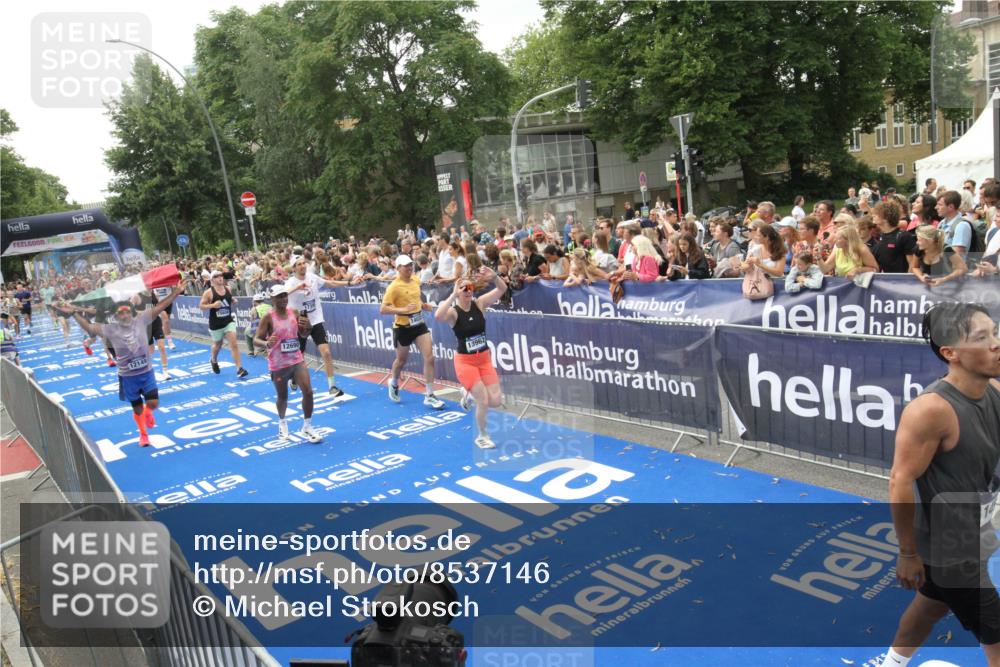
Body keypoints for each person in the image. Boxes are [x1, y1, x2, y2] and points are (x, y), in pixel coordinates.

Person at [880, 302, 1000, 667]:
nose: (996, 343)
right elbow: (900, 480)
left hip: (975, 531)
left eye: (995, 332)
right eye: (981, 337)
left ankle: (892, 664)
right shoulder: (931, 410)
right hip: (950, 549)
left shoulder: (993, 389)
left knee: (930, 607)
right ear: (950, 353)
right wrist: (908, 553)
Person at [57, 282, 187, 447]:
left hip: (146, 373)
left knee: (153, 403)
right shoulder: (110, 329)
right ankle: (143, 434)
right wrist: (74, 313)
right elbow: (89, 327)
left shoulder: (141, 320)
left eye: (126, 311)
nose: (124, 315)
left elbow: (160, 306)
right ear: (116, 316)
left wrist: (176, 292)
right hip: (128, 377)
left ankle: (148, 413)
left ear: (131, 312)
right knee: (137, 408)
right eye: (120, 313)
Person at [434, 267, 508, 449]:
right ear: (458, 292)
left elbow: (502, 289)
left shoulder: (480, 304)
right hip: (465, 362)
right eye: (464, 289)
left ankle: (467, 394)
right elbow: (438, 316)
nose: (468, 292)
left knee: (496, 401)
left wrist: (495, 276)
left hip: (484, 359)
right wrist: (452, 294)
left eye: (470, 288)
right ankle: (482, 436)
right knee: (483, 400)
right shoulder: (454, 312)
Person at [253, 285, 322, 443]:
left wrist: (308, 327)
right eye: (280, 296)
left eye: (285, 295)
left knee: (308, 392)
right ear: (272, 299)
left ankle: (307, 426)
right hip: (278, 364)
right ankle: (282, 422)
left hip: (296, 360)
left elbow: (303, 334)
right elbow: (256, 339)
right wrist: (266, 343)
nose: (284, 299)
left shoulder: (294, 313)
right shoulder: (268, 317)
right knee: (283, 397)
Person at [379, 255, 446, 409]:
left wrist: (423, 305)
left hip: (419, 324)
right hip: (402, 327)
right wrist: (402, 310)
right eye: (406, 266)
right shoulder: (394, 287)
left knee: (429, 357)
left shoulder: (415, 279)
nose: (409, 268)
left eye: (410, 265)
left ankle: (429, 395)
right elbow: (383, 309)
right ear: (398, 268)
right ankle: (394, 382)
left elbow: (415, 298)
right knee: (401, 361)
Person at [285, 256, 349, 396]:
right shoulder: (290, 282)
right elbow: (283, 294)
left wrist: (349, 282)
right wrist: (297, 287)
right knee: (299, 357)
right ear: (294, 268)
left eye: (304, 263)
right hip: (299, 323)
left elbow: (330, 283)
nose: (303, 266)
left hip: (315, 320)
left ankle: (332, 386)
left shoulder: (312, 277)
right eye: (299, 264)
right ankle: (294, 379)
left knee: (326, 352)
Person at [199, 270, 249, 378]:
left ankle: (239, 369)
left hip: (228, 321)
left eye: (221, 275)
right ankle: (213, 360)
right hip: (215, 323)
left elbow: (228, 298)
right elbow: (201, 306)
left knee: (234, 344)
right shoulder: (208, 292)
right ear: (212, 279)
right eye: (216, 276)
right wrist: (212, 305)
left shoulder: (228, 289)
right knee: (218, 344)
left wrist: (233, 300)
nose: (220, 278)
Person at [872, 201, 917, 274]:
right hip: (885, 280)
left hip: (902, 280)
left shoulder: (904, 236)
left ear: (886, 217)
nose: (873, 215)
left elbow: (912, 265)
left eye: (877, 214)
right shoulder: (878, 237)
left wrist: (907, 280)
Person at [150, 284, 176, 349]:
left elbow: (173, 288)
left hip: (168, 302)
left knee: (166, 323)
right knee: (166, 320)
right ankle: (170, 341)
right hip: (159, 303)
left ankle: (160, 338)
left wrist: (173, 288)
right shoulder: (154, 281)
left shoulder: (167, 280)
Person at [245, 292, 271, 357]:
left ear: (254, 301)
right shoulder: (270, 306)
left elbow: (252, 320)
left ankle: (251, 351)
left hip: (261, 330)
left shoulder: (254, 309)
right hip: (271, 329)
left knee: (247, 331)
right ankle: (263, 348)